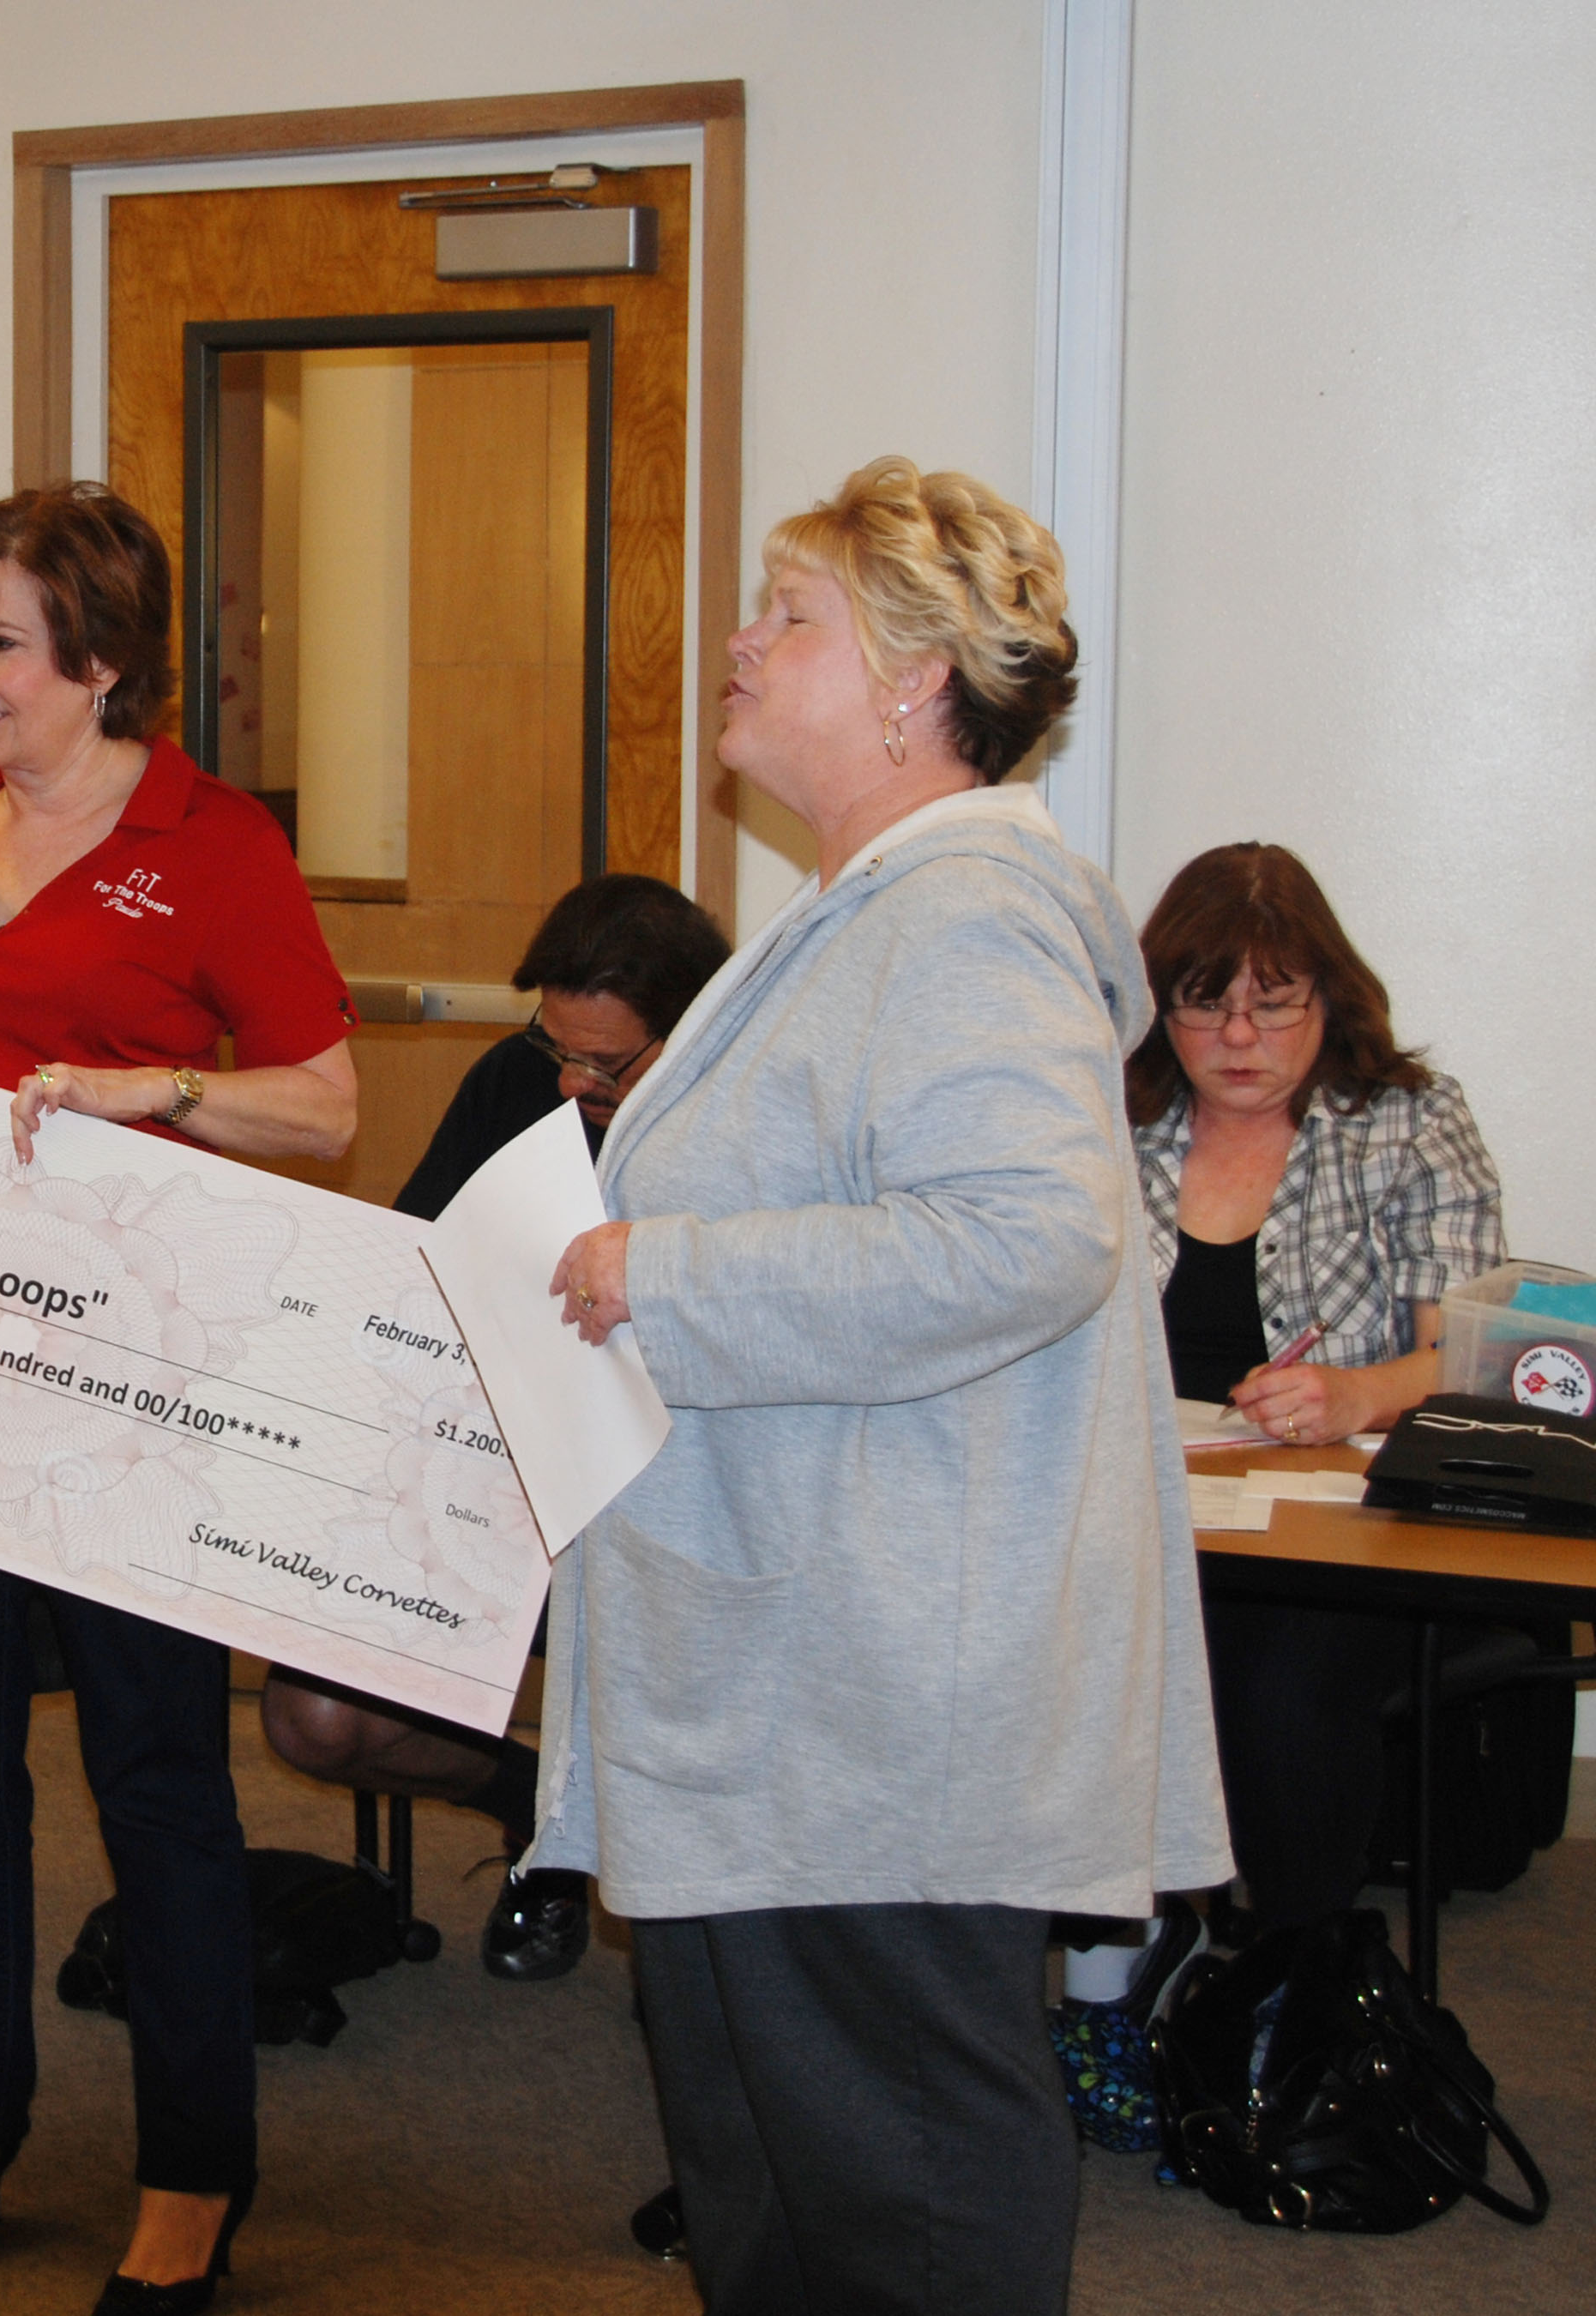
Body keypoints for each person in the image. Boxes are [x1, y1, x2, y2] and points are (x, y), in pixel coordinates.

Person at [545, 458, 1232, 2313]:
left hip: (879, 1693)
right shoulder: (860, 910)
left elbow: (1025, 1238)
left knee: (900, 2183)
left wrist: (664, 1272)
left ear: (917, 682)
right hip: (793, 1667)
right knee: (779, 2185)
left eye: (791, 615)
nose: (739, 642)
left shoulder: (966, 916)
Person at [0, 484, 357, 2310]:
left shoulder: (212, 843)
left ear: (102, 662)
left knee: (156, 1775)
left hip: (134, 1390)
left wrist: (163, 1090)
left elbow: (327, 1105)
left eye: (2, 644)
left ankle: (193, 2171)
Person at [256, 874, 728, 1981]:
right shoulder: (516, 1081)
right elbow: (415, 1268)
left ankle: (655, 1897)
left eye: (604, 1065)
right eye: (555, 1043)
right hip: (494, 1476)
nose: (570, 1080)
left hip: (672, 1504)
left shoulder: (742, 1121)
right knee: (315, 1722)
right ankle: (546, 1818)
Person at [1129, 841, 1501, 1930]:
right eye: (1206, 1007)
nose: (1239, 1039)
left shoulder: (1406, 1122)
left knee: (1279, 1698)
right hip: (1145, 1506)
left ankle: (1301, 1960)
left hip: (1336, 1524)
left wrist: (1358, 1395)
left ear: (1330, 1001)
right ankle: (1139, 1950)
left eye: (1275, 1005)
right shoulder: (1111, 1119)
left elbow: (1471, 1361)